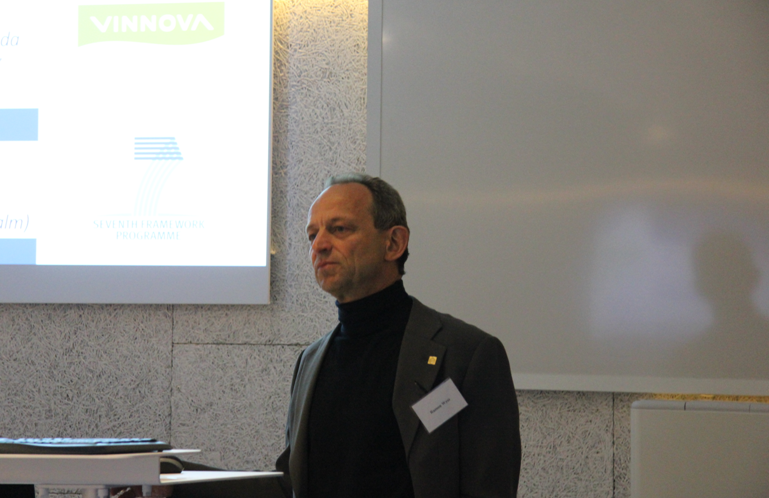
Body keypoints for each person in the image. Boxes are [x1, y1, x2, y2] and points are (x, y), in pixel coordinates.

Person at [275, 173, 522, 498]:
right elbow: (290, 480)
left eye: (339, 229)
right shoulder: (309, 362)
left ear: (393, 243)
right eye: (312, 234)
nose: (319, 245)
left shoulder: (467, 356)